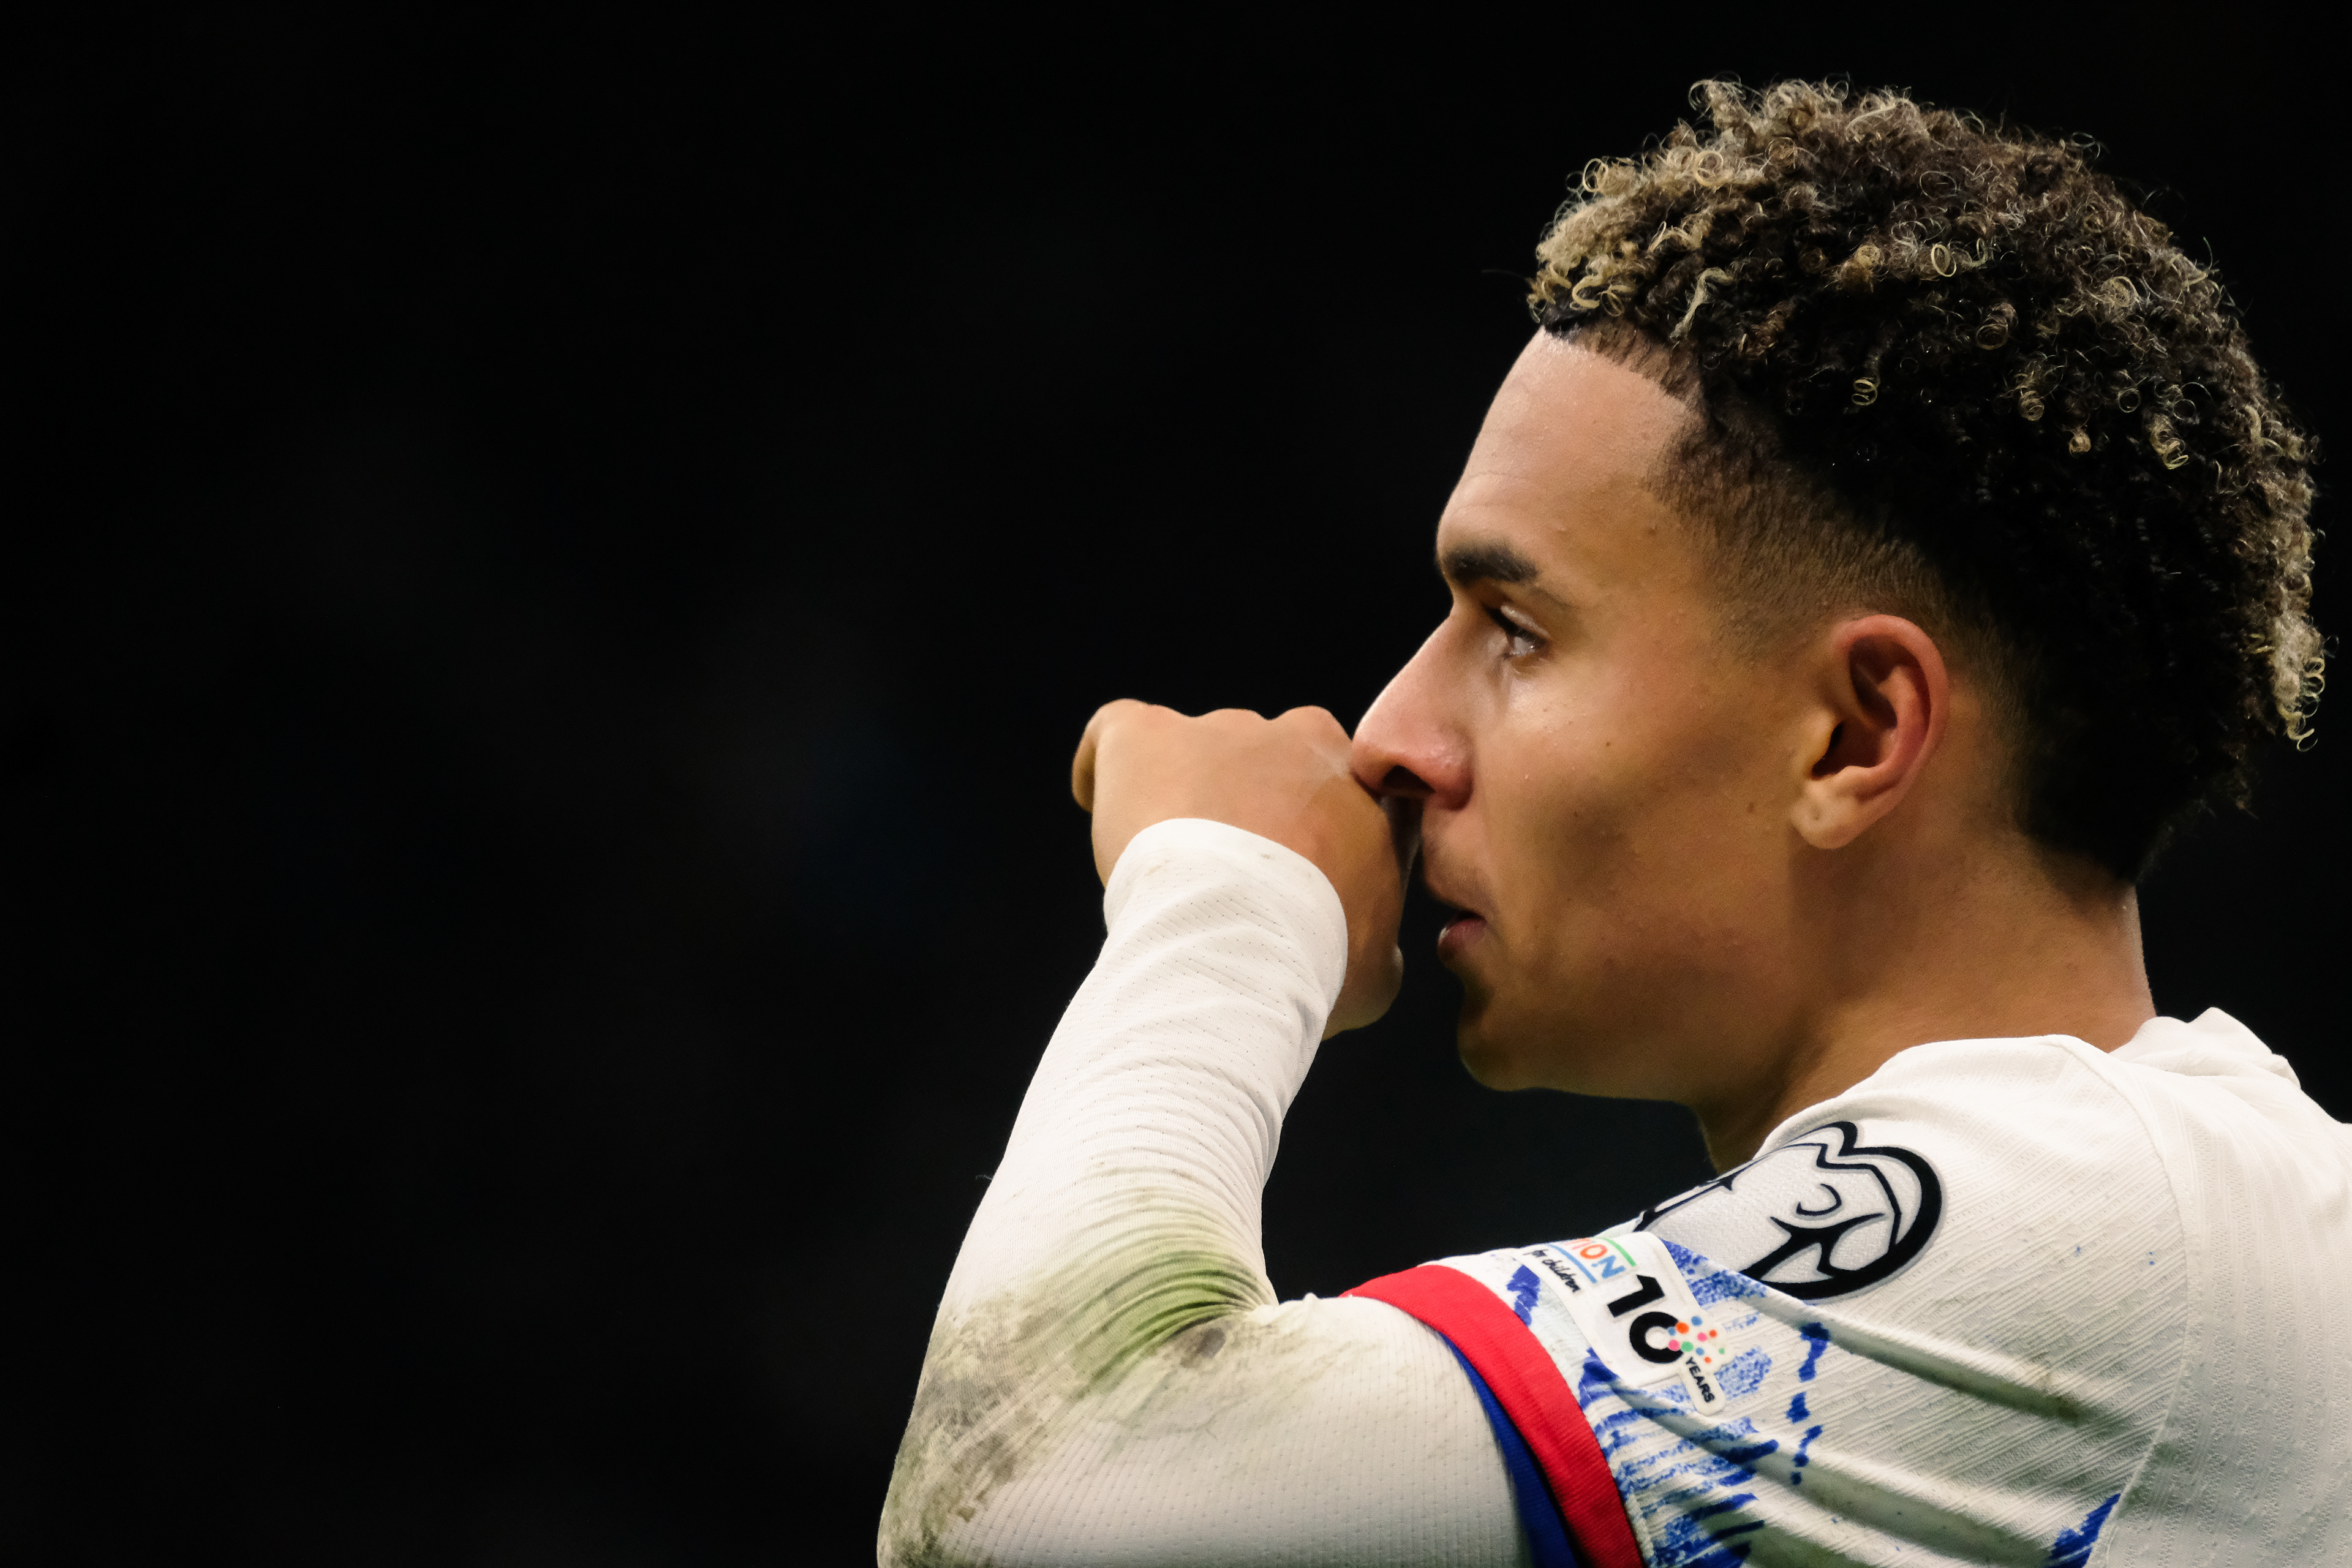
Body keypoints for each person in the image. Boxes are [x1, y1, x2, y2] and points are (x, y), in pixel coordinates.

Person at [878, 81, 2349, 1567]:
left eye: (1516, 628)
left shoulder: (2099, 1214)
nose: (1394, 733)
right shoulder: (2156, 1253)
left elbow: (1033, 1504)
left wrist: (1224, 900)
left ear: (1853, 735)